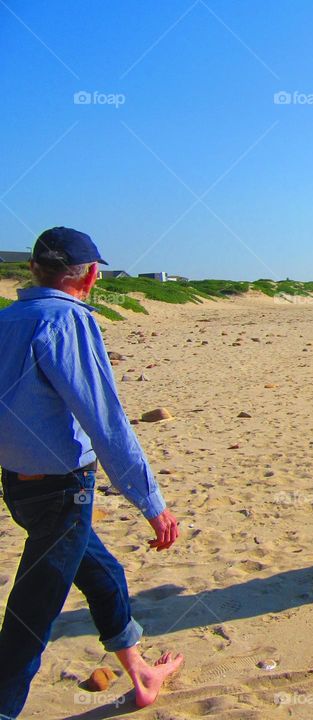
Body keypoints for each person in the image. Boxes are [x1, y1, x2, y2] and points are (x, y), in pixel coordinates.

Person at [0, 228, 183, 718]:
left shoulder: (8, 318)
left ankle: (140, 674)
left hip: (18, 485)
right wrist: (152, 503)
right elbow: (104, 420)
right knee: (32, 614)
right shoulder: (67, 320)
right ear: (92, 276)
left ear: (34, 269)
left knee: (103, 574)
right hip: (62, 491)